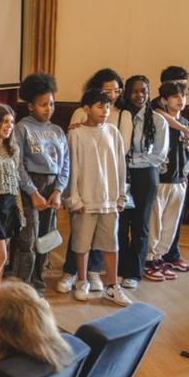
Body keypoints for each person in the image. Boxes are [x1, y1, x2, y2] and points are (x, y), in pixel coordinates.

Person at [58, 68, 133, 294]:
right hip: (85, 200)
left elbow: (120, 166)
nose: (106, 110)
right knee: (81, 243)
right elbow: (73, 168)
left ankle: (112, 285)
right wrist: (74, 198)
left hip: (109, 199)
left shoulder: (113, 133)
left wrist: (121, 196)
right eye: (101, 106)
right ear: (86, 109)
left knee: (111, 243)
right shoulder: (77, 134)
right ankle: (81, 280)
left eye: (108, 106)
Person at [11, 73, 69, 292]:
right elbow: (17, 165)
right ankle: (21, 288)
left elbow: (65, 165)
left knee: (46, 239)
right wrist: (33, 192)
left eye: (52, 104)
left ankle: (38, 285)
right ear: (31, 106)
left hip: (52, 187)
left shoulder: (57, 131)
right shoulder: (22, 128)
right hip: (30, 188)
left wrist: (58, 190)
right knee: (28, 240)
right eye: (43, 104)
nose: (48, 108)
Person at [118, 76, 169, 289]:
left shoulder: (158, 120)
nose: (140, 95)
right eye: (135, 91)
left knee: (140, 225)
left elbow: (159, 155)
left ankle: (134, 273)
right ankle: (120, 269)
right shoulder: (122, 117)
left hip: (145, 176)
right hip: (124, 176)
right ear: (128, 94)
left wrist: (131, 160)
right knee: (121, 224)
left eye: (144, 91)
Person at [151, 67, 189, 273]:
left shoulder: (186, 122)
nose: (181, 97)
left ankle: (164, 257)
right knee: (155, 223)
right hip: (161, 178)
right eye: (175, 94)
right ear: (164, 96)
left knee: (171, 221)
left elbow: (186, 152)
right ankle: (150, 258)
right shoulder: (157, 115)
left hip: (179, 179)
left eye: (184, 93)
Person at [0, 104, 25, 286]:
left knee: (4, 257)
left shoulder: (12, 149)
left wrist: (19, 210)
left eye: (11, 122)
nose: (9, 126)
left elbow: (14, 183)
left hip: (9, 205)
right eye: (5, 122)